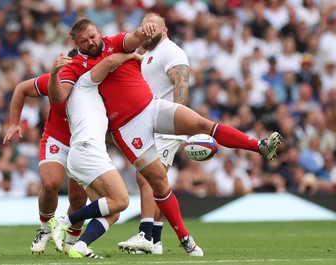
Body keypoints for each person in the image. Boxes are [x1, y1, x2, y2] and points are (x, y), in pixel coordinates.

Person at [48, 18, 282, 257]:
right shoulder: (74, 65)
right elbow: (57, 97)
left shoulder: (114, 42)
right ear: (75, 43)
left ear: (98, 32)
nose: (90, 42)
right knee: (158, 183)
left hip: (152, 106)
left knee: (202, 123)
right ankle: (185, 240)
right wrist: (54, 73)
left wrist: (144, 30)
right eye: (84, 41)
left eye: (92, 36)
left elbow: (135, 37)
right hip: (127, 129)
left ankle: (259, 145)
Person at [49, 51, 144, 258]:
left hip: (83, 152)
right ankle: (64, 221)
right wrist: (132, 56)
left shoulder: (85, 94)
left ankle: (80, 245)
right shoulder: (84, 82)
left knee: (112, 212)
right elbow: (110, 60)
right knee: (121, 201)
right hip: (87, 150)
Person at [117, 13, 190, 255]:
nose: (147, 30)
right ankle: (155, 241)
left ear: (165, 30)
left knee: (147, 178)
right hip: (150, 123)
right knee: (156, 181)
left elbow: (180, 83)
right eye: (144, 27)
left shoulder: (171, 51)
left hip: (167, 123)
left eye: (153, 26)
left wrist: (178, 119)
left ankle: (145, 234)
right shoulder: (146, 54)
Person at [2, 50, 88, 254]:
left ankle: (72, 240)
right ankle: (44, 229)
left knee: (78, 198)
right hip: (56, 138)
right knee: (50, 185)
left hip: (83, 142)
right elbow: (21, 88)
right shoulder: (57, 79)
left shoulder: (98, 82)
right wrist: (14, 123)